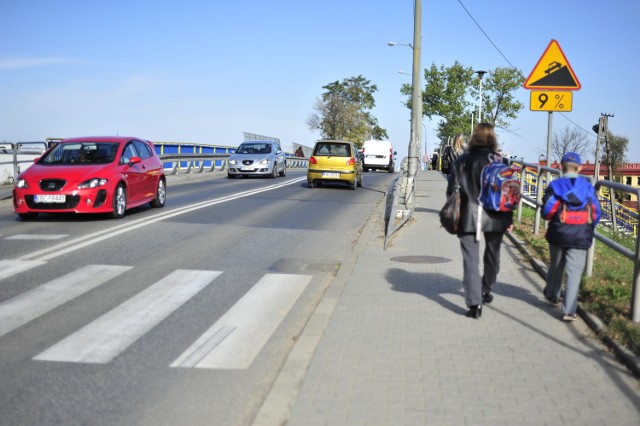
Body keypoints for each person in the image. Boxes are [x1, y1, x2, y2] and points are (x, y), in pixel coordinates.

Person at [446, 123, 513, 319]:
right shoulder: (501, 161)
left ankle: (475, 305)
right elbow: (509, 192)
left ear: (473, 138)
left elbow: (451, 190)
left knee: (471, 260)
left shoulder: (463, 161)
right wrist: (508, 217)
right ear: (493, 139)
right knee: (493, 255)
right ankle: (486, 288)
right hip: (496, 215)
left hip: (469, 215)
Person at [541, 152, 601, 321]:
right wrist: (587, 227)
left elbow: (547, 211)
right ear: (580, 167)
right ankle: (569, 310)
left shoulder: (555, 186)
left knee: (556, 265)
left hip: (559, 233)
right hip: (581, 235)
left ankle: (553, 295)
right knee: (574, 272)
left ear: (561, 166)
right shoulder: (588, 187)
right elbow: (596, 213)